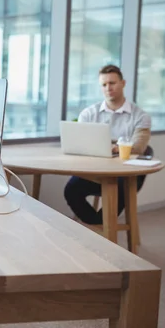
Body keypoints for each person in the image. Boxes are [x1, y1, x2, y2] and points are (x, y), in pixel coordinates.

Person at [64, 64, 152, 225]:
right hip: (95, 171)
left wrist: (109, 147)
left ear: (123, 83)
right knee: (71, 190)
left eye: (112, 83)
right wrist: (117, 146)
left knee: (119, 189)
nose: (108, 88)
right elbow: (80, 144)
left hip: (127, 175)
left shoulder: (140, 116)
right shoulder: (89, 113)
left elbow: (139, 147)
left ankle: (102, 228)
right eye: (104, 85)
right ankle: (99, 225)